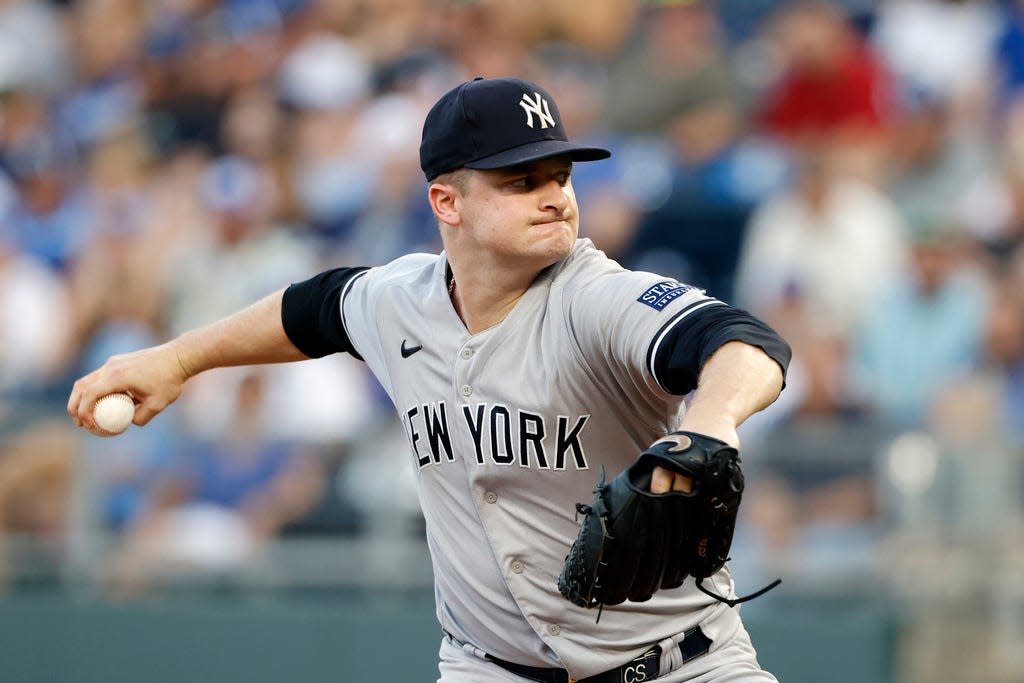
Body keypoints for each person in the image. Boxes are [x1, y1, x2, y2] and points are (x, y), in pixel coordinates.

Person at [68, 76, 791, 683]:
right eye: (522, 180)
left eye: (561, 176)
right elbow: (311, 308)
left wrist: (710, 419)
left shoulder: (594, 297)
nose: (556, 197)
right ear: (447, 203)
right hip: (489, 667)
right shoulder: (400, 299)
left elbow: (743, 341)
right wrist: (179, 358)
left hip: (679, 667)